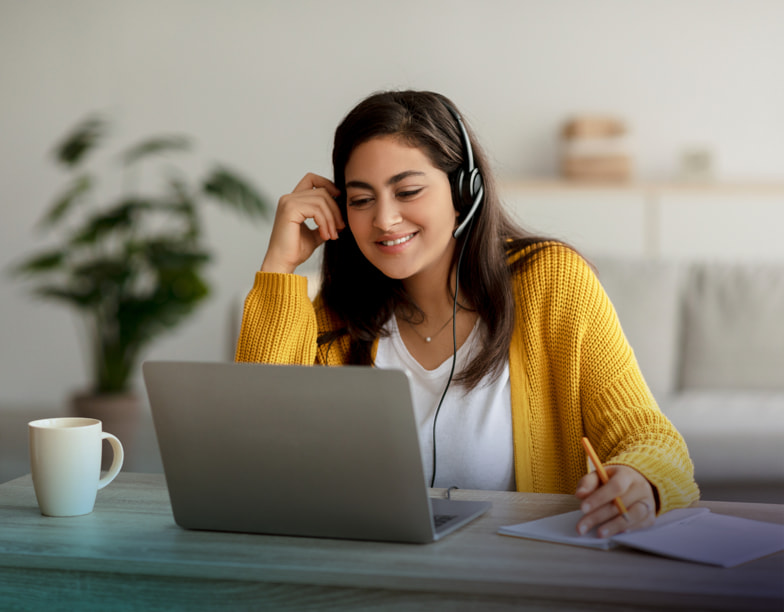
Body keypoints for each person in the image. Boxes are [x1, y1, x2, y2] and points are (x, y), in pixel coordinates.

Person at [235, 90, 700, 538]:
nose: (384, 219)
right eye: (361, 199)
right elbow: (254, 455)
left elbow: (652, 439)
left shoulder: (552, 282)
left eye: (408, 191)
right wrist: (280, 266)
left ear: (465, 191)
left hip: (522, 576)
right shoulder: (336, 318)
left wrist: (640, 480)